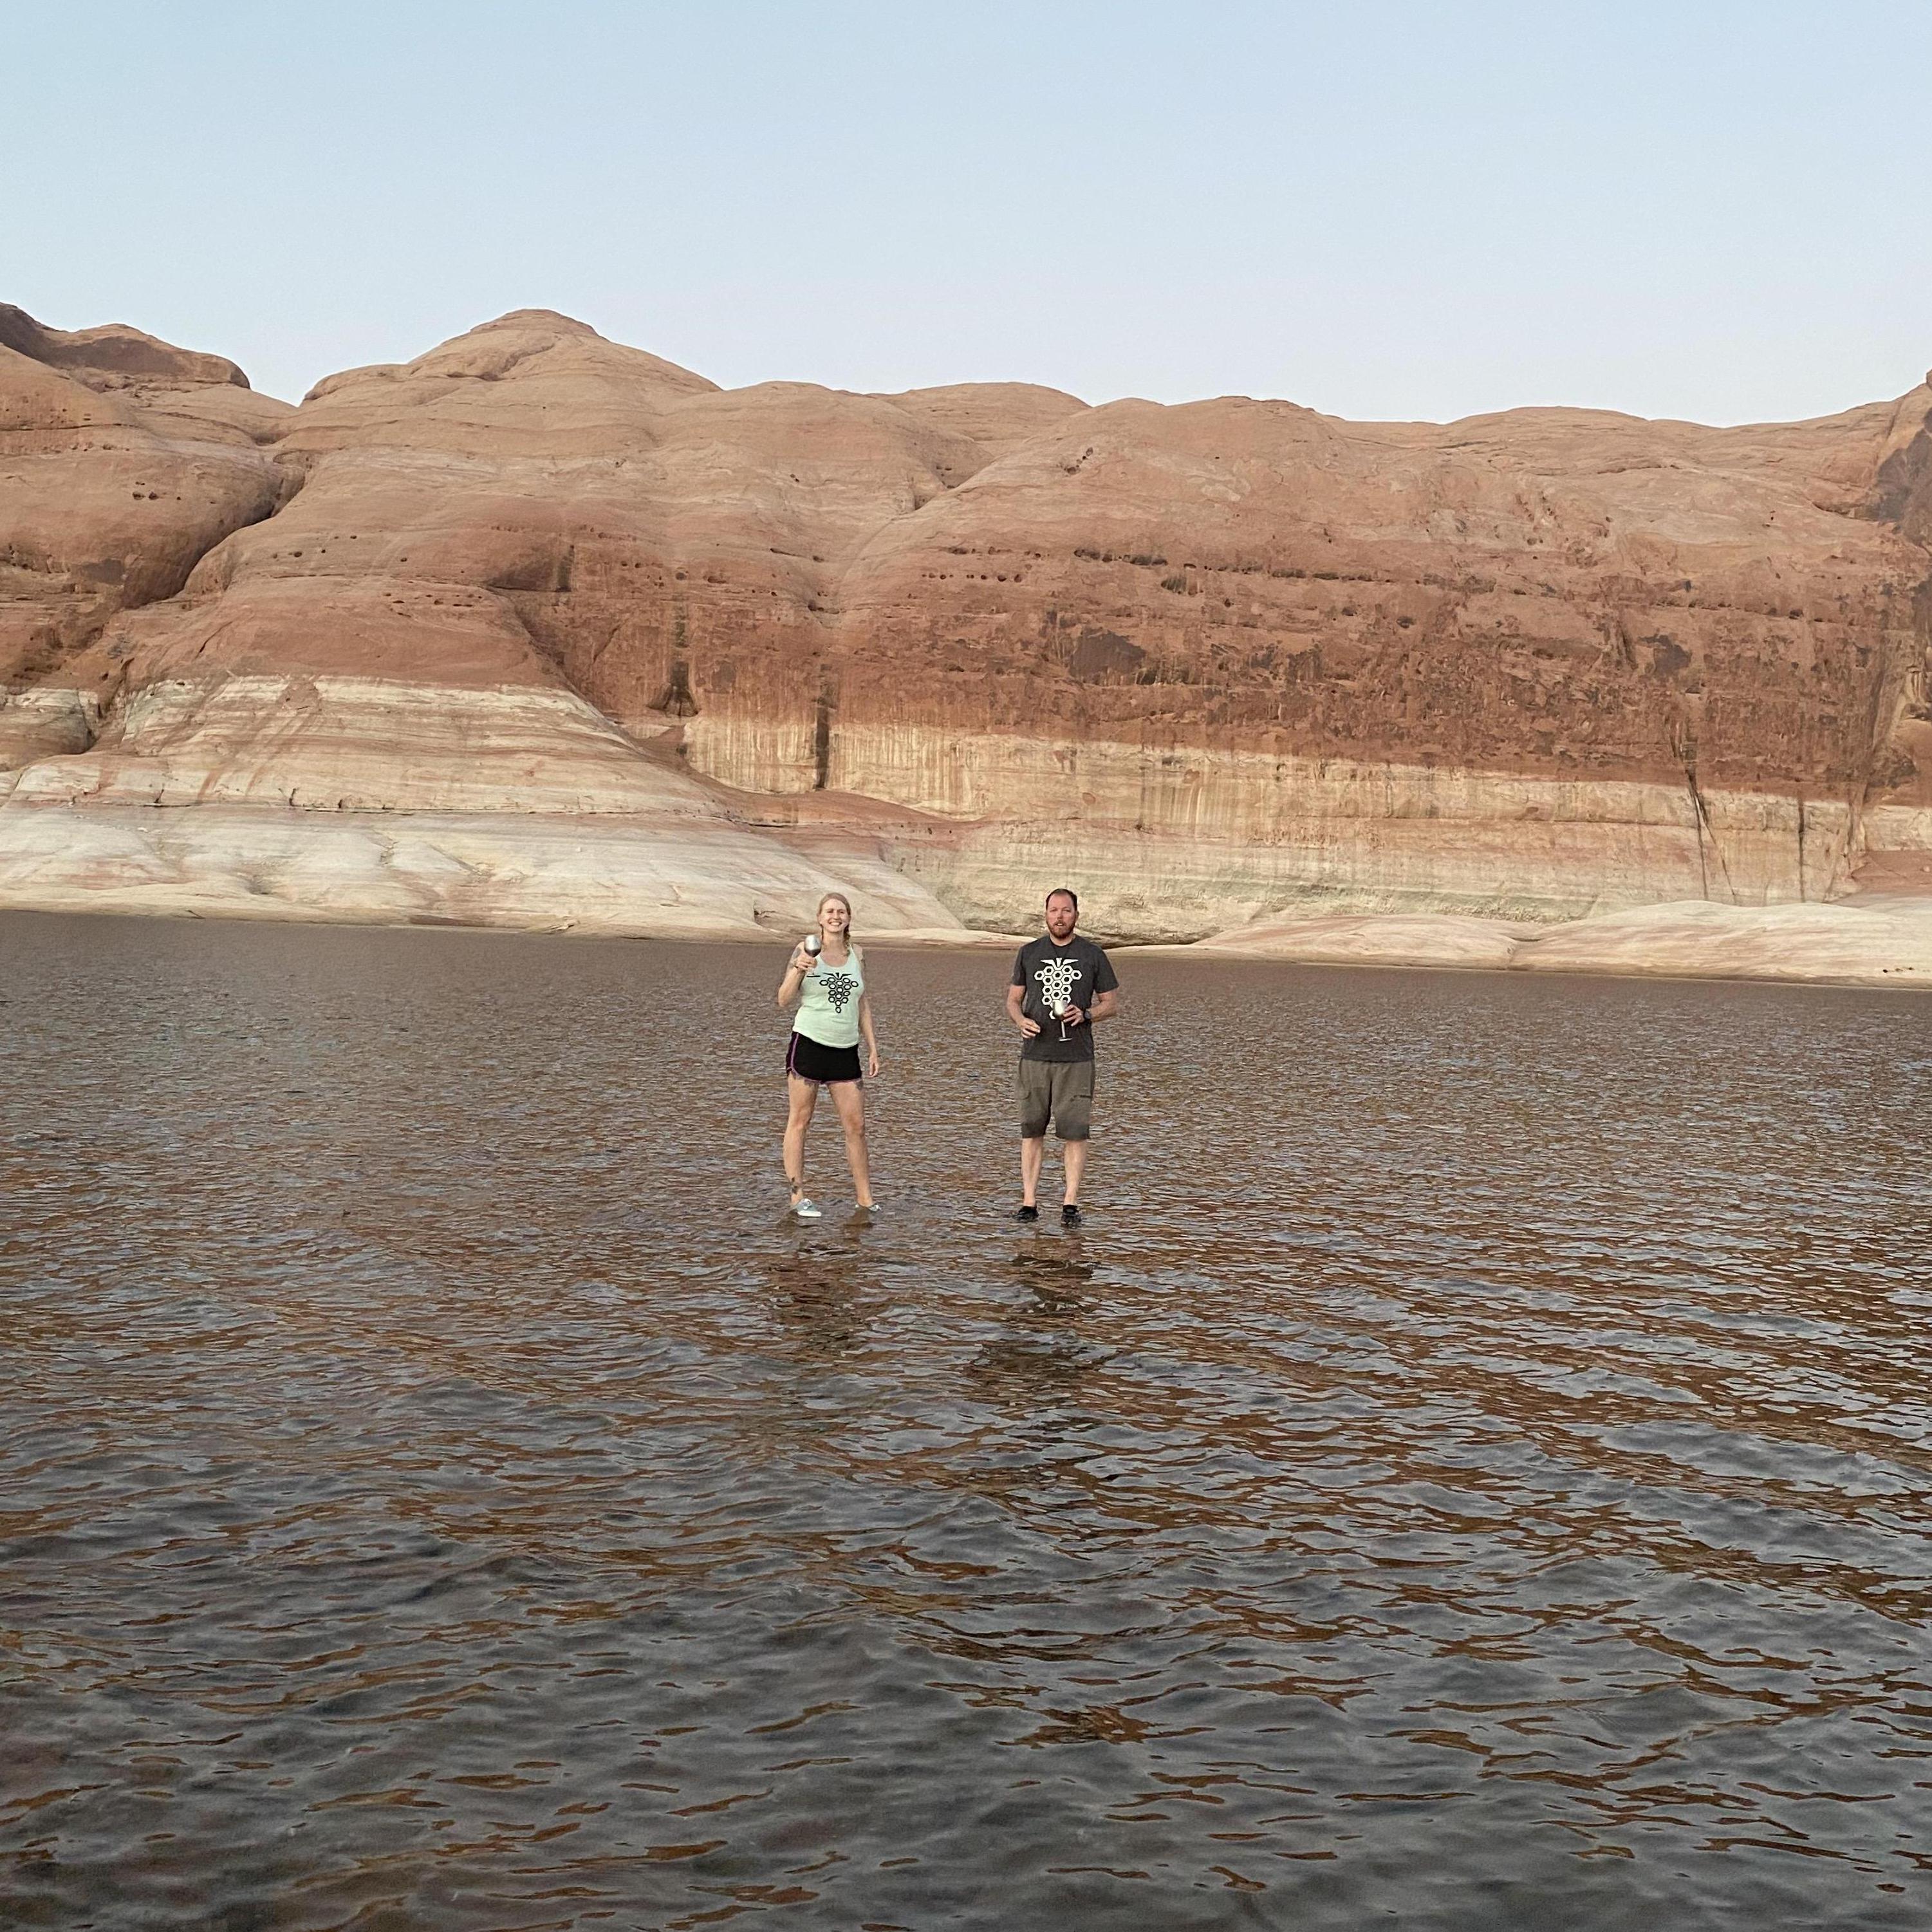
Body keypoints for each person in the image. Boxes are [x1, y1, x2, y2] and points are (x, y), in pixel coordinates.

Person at [1006, 887, 1119, 1225]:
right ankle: (1029, 1202)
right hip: (1035, 1056)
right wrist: (1021, 1021)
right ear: (1045, 914)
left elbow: (1112, 1004)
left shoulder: (1093, 955)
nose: (1059, 916)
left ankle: (1070, 1203)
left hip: (1077, 1059)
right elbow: (1013, 1000)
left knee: (1075, 1131)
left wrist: (1086, 1015)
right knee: (1031, 1129)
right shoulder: (1028, 953)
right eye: (1054, 910)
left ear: (1076, 915)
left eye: (1066, 911)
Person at [777, 892, 880, 1220]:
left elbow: (862, 1003)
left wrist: (873, 1047)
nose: (836, 916)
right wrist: (798, 969)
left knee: (857, 1126)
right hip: (809, 1043)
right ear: (820, 918)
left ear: (849, 917)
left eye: (841, 911)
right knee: (800, 1121)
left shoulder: (857, 954)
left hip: (846, 1049)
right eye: (829, 912)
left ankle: (865, 1199)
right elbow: (783, 999)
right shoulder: (806, 949)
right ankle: (798, 1197)